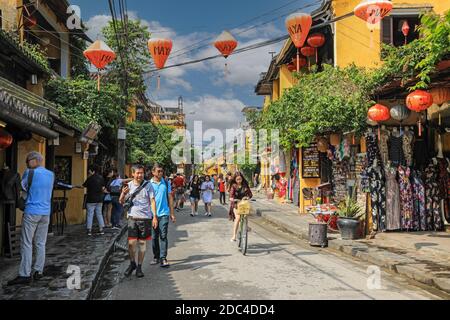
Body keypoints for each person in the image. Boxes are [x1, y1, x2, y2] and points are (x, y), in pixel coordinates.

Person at [8, 152, 54, 285]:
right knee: (40, 243)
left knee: (26, 242)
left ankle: (24, 274)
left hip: (32, 211)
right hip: (45, 212)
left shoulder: (30, 173)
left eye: (27, 161)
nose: (26, 164)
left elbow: (23, 188)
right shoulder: (51, 174)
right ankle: (38, 271)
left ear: (34, 160)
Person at [120, 165, 157, 278]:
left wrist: (154, 216)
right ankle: (132, 264)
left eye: (141, 173)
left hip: (145, 219)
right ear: (133, 174)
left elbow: (152, 201)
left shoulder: (148, 185)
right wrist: (123, 193)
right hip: (132, 218)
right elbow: (121, 202)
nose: (140, 175)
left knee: (142, 244)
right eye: (138, 173)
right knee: (131, 244)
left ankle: (139, 267)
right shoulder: (129, 186)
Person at [150, 164, 176, 268]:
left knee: (163, 236)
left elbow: (170, 197)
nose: (161, 173)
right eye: (158, 171)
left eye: (162, 171)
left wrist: (172, 213)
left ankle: (163, 258)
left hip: (164, 213)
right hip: (152, 215)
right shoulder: (149, 184)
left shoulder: (166, 182)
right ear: (153, 172)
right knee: (154, 237)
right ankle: (156, 256)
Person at [83, 165, 106, 236]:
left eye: (89, 170)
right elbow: (103, 188)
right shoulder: (101, 178)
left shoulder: (90, 178)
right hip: (99, 199)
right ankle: (101, 229)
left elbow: (84, 185)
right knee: (99, 214)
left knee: (90, 214)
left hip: (91, 199)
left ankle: (89, 230)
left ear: (93, 171)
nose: (89, 172)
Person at [229, 173, 253, 241]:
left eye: (240, 179)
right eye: (237, 179)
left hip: (244, 203)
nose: (239, 180)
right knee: (238, 217)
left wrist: (247, 197)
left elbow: (250, 194)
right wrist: (231, 198)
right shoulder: (233, 186)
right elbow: (231, 194)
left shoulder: (245, 185)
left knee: (245, 215)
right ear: (235, 180)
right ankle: (234, 236)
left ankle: (245, 226)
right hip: (236, 204)